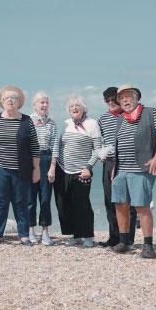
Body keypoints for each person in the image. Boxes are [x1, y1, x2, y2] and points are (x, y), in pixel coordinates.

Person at [111, 84, 156, 259]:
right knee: (120, 205)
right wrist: (115, 168)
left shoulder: (150, 112)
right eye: (122, 97)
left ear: (136, 98)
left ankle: (148, 245)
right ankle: (124, 241)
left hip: (141, 169)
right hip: (121, 169)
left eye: (128, 96)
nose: (125, 99)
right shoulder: (120, 118)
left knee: (142, 207)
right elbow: (117, 146)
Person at [0, 85, 40, 245]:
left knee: (21, 202)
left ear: (18, 103)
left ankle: (23, 235)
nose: (10, 100)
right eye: (7, 98)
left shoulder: (26, 120)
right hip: (0, 168)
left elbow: (35, 146)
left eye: (14, 98)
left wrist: (36, 168)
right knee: (0, 202)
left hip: (21, 169)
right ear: (2, 101)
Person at [52, 95, 102, 248]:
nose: (74, 108)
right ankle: (74, 235)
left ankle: (87, 236)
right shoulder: (64, 123)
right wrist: (53, 166)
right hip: (62, 169)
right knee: (64, 203)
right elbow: (57, 146)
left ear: (83, 109)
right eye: (71, 106)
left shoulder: (92, 123)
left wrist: (88, 167)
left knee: (82, 204)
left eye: (77, 105)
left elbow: (98, 150)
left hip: (82, 171)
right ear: (68, 110)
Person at [97, 87, 137, 247]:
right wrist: (100, 153)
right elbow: (98, 140)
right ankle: (114, 238)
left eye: (113, 99)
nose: (111, 103)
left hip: (127, 162)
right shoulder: (102, 119)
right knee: (110, 201)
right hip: (109, 162)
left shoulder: (130, 115)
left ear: (119, 99)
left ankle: (128, 239)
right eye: (107, 101)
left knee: (128, 203)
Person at [28, 91, 58, 245]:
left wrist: (52, 167)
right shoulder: (27, 121)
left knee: (45, 198)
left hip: (47, 159)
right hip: (30, 161)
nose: (44, 105)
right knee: (30, 198)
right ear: (34, 105)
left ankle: (45, 232)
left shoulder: (52, 123)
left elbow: (55, 146)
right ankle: (31, 229)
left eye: (46, 102)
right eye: (41, 102)